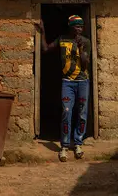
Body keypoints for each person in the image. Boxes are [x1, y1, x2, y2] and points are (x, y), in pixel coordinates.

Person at [35, 14, 90, 162]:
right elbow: (45, 49)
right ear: (71, 27)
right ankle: (65, 146)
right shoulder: (62, 39)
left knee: (82, 113)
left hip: (83, 82)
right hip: (67, 82)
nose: (79, 29)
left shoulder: (85, 41)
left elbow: (85, 64)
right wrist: (42, 31)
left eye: (81, 27)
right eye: (77, 26)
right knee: (66, 112)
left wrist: (81, 48)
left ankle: (78, 143)